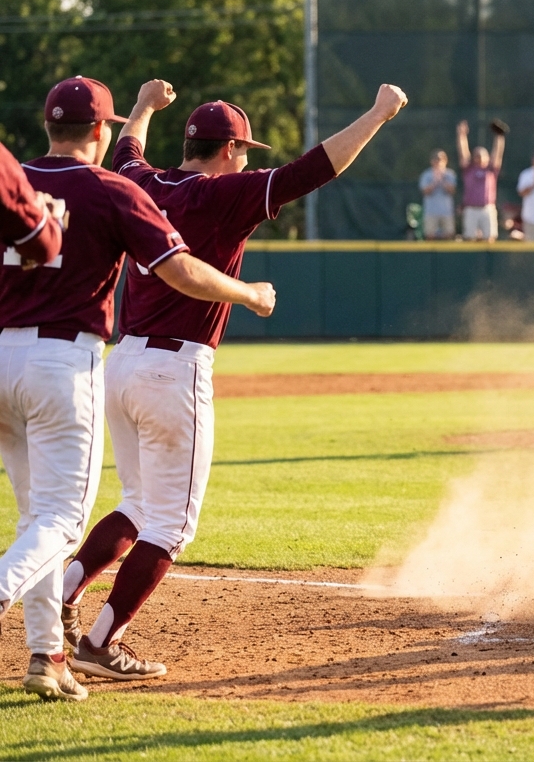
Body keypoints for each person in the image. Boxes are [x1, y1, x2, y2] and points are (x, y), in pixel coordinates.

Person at [58, 79, 408, 682]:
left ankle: (59, 596)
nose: (247, 159)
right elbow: (314, 169)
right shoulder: (228, 194)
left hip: (123, 363)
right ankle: (101, 641)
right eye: (244, 149)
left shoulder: (145, 182)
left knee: (138, 505)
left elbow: (127, 150)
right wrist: (378, 113)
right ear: (228, 150)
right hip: (176, 368)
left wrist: (142, 106)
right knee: (172, 523)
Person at [0, 76, 279, 701]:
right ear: (97, 130)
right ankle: (67, 628)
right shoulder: (110, 189)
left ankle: (48, 656)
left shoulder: (12, 176)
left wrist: (147, 109)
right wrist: (248, 294)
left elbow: (132, 149)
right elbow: (177, 267)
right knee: (66, 521)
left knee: (41, 518)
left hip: (5, 355)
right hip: (62, 363)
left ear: (49, 125)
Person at [457, 119, 503, 241]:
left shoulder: (491, 170)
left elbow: (497, 154)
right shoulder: (469, 169)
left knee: (489, 238)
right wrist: (461, 136)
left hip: (487, 208)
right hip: (471, 208)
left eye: (482, 155)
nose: (479, 157)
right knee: (469, 238)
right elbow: (463, 153)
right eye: (477, 155)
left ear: (488, 157)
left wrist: (499, 136)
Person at [418, 149, 456, 240]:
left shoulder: (450, 174)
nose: (438, 162)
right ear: (432, 161)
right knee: (429, 235)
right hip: (431, 211)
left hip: (446, 212)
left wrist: (442, 180)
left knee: (449, 235)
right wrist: (435, 182)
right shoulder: (426, 175)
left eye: (441, 159)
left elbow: (452, 191)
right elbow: (425, 192)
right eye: (436, 159)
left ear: (445, 161)